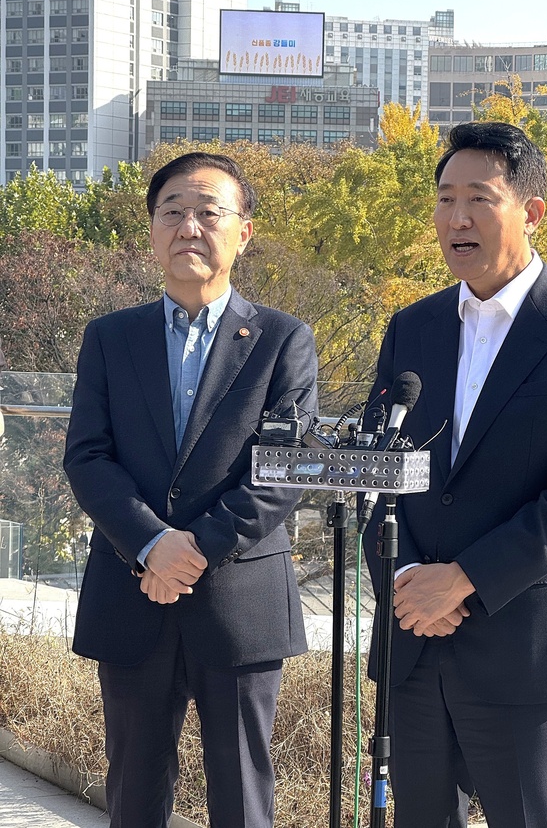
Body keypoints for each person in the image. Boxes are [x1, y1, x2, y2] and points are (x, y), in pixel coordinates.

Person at [362, 122, 547, 828]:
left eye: (479, 199)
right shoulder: (411, 328)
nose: (457, 218)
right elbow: (374, 471)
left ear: (532, 211)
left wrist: (462, 579)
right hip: (413, 645)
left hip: (524, 648)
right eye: (445, 199)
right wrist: (407, 580)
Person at [64, 151, 318, 828]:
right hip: (133, 593)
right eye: (172, 211)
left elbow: (284, 468)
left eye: (209, 212)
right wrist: (151, 543)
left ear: (244, 232)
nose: (189, 227)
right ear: (152, 229)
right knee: (134, 794)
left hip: (239, 602)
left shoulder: (283, 339)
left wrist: (193, 549)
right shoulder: (110, 337)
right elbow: (87, 457)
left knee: (242, 797)